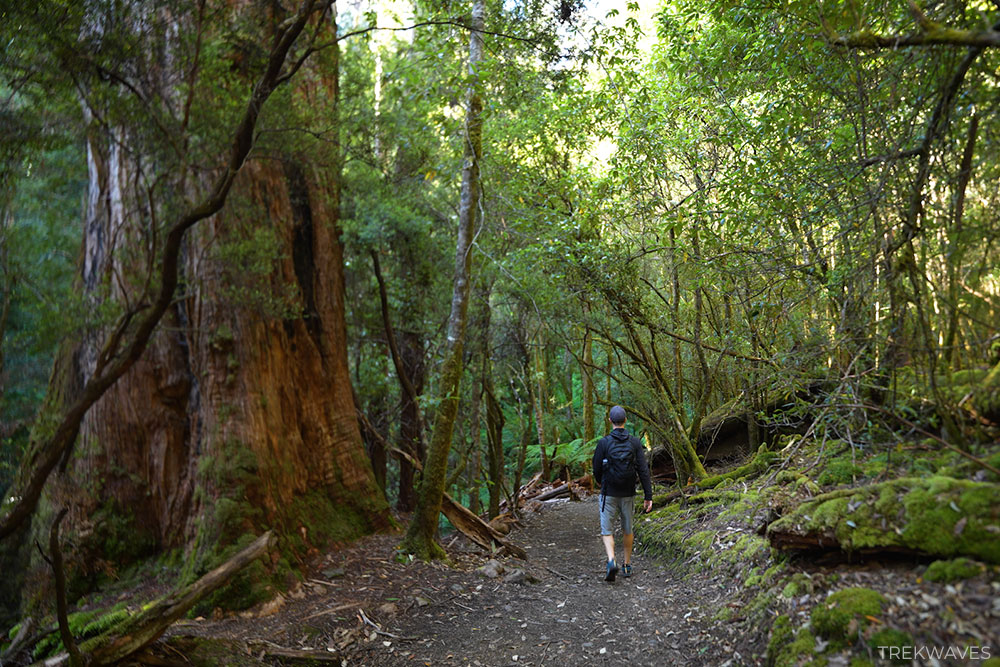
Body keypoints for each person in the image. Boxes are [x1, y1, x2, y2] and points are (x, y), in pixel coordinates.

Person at [592, 405, 653, 582]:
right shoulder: (634, 442)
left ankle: (611, 560)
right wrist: (648, 496)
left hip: (608, 492)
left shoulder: (604, 443)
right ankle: (626, 564)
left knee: (607, 530)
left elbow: (596, 468)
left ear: (610, 421)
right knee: (628, 529)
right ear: (625, 420)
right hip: (628, 492)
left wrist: (600, 482)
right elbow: (643, 470)